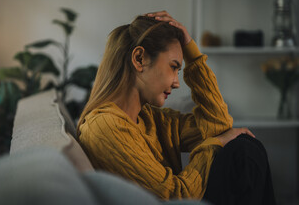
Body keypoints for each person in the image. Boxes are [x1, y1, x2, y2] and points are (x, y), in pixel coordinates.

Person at [77, 11, 276, 204]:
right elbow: (177, 195)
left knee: (243, 146)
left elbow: (220, 125)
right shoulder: (105, 126)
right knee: (243, 152)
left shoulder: (150, 118)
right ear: (139, 59)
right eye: (173, 67)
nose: (176, 83)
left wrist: (191, 51)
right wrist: (216, 143)